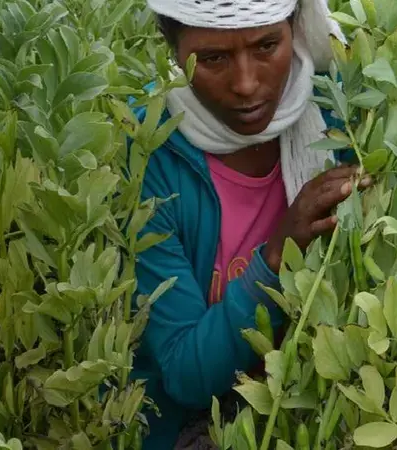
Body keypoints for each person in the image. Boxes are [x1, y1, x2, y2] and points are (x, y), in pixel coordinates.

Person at [128, 0, 368, 448]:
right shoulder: (148, 147)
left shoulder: (339, 109)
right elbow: (185, 373)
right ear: (173, 47)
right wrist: (278, 254)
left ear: (294, 28)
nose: (246, 84)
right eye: (214, 58)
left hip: (318, 399)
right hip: (196, 421)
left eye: (267, 46)